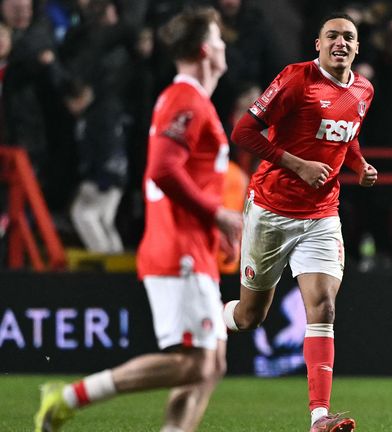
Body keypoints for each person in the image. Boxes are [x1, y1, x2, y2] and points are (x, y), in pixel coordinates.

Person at [34, 7, 242, 432]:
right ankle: (69, 396)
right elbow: (162, 170)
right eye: (218, 39)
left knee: (211, 363)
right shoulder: (183, 99)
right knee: (197, 362)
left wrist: (213, 226)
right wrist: (217, 214)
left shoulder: (194, 100)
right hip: (176, 247)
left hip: (193, 244)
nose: (224, 46)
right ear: (205, 50)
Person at [221, 12, 376, 432]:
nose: (340, 42)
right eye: (332, 36)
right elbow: (244, 132)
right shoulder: (295, 79)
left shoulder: (363, 89)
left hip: (321, 214)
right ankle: (207, 319)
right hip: (271, 209)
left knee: (323, 305)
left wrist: (359, 165)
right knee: (251, 316)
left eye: (348, 36)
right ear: (318, 44)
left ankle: (319, 416)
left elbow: (348, 130)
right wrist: (296, 164)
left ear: (357, 47)